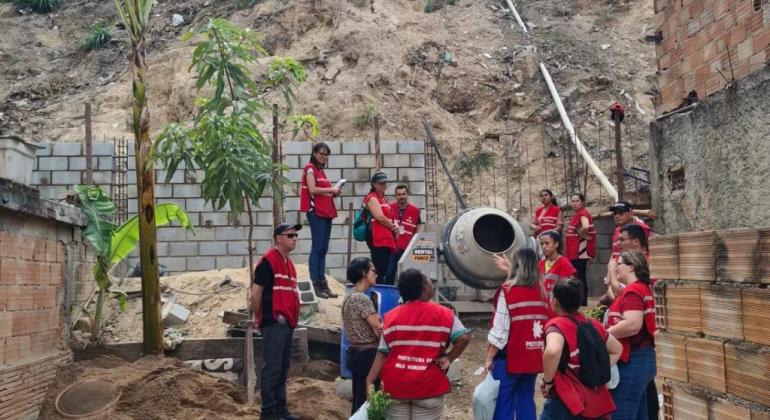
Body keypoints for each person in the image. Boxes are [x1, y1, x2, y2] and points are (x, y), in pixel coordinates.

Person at [366, 269, 471, 420]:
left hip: (396, 388)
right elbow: (464, 337)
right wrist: (449, 358)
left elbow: (382, 353)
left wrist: (369, 380)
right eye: (428, 281)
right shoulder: (445, 314)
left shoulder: (391, 317)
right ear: (424, 288)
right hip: (428, 388)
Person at [540, 279, 622, 419]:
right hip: (595, 398)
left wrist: (547, 381)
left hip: (567, 399)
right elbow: (617, 349)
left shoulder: (557, 326)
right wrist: (595, 368)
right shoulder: (592, 324)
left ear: (555, 302)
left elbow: (553, 351)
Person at [485, 248, 550, 420]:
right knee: (526, 399)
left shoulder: (507, 291)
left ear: (517, 265)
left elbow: (501, 330)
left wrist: (489, 358)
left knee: (503, 402)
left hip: (509, 358)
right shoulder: (542, 291)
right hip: (533, 356)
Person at [251, 223, 302, 420]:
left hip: (287, 322)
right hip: (274, 322)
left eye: (296, 235)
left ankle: (280, 409)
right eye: (290, 235)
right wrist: (260, 318)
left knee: (282, 368)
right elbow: (256, 294)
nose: (294, 238)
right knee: (272, 368)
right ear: (278, 238)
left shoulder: (289, 264)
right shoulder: (268, 262)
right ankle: (268, 413)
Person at [605, 250, 657, 420]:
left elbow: (633, 325)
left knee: (622, 412)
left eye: (619, 264)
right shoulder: (638, 289)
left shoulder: (634, 291)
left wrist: (603, 334)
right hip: (640, 358)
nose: (616, 268)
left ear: (631, 267)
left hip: (634, 359)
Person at [300, 142, 341, 299]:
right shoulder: (309, 168)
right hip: (315, 212)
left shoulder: (321, 171)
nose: (324, 157)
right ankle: (315, 282)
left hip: (325, 212)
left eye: (326, 154)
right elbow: (313, 190)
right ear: (315, 153)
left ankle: (323, 283)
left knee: (323, 248)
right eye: (321, 153)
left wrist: (334, 193)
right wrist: (331, 189)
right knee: (317, 247)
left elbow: (323, 191)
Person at [342, 257, 383, 415]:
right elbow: (378, 328)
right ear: (364, 273)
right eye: (373, 270)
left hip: (355, 353)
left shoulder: (349, 296)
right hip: (367, 355)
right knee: (369, 400)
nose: (376, 274)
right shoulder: (362, 299)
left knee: (359, 398)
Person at [364, 171, 398, 283]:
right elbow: (379, 216)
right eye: (380, 183)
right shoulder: (372, 197)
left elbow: (388, 217)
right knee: (379, 269)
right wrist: (393, 226)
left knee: (383, 270)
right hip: (377, 237)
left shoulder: (383, 198)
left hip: (385, 237)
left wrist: (394, 224)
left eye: (384, 183)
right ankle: (376, 294)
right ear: (374, 184)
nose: (383, 185)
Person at [384, 184, 422, 284]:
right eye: (399, 194)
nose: (401, 196)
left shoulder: (415, 211)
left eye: (403, 194)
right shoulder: (389, 208)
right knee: (390, 274)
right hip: (392, 248)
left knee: (406, 276)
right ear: (395, 196)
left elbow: (418, 229)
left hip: (407, 249)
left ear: (407, 195)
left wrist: (415, 245)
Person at [565, 193, 596, 307]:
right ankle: (581, 302)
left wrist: (583, 234)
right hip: (576, 251)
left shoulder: (583, 213)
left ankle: (582, 303)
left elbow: (586, 226)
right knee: (579, 276)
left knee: (580, 276)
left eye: (577, 201)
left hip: (579, 251)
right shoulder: (579, 214)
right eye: (572, 201)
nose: (574, 203)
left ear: (582, 202)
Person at [539, 230, 577, 300]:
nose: (544, 246)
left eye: (547, 243)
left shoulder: (564, 263)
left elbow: (570, 288)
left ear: (556, 244)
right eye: (541, 244)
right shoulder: (541, 263)